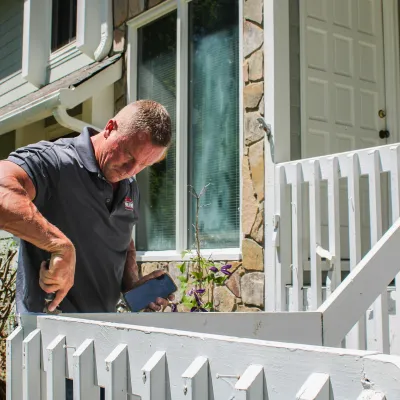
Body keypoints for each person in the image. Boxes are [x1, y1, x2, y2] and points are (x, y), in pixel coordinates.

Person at [0, 100, 173, 315]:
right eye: (129, 155)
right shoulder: (55, 161)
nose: (132, 170)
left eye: (143, 165)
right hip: (48, 329)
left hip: (103, 328)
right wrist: (59, 245)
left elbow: (122, 240)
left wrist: (133, 286)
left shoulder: (129, 188)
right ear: (110, 128)